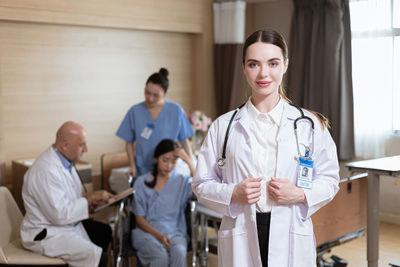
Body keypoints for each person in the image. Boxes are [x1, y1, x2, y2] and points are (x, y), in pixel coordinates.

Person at [192, 29, 340, 267]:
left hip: (291, 230)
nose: (263, 73)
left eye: (273, 63)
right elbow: (201, 184)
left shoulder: (309, 125)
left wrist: (300, 194)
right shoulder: (223, 126)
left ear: (285, 65)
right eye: (254, 64)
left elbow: (330, 180)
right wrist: (233, 193)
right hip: (241, 230)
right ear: (243, 68)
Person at [20, 121, 115, 267]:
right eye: (82, 145)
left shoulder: (66, 163)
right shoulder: (45, 170)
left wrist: (90, 204)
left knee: (104, 232)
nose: (86, 149)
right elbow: (59, 215)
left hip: (62, 224)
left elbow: (69, 200)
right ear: (65, 145)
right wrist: (89, 199)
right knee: (96, 256)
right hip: (46, 233)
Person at [116, 68, 194, 177]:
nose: (150, 98)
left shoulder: (176, 110)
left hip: (168, 170)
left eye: (156, 95)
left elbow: (184, 141)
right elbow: (129, 142)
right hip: (143, 170)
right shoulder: (135, 111)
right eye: (147, 93)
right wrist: (132, 165)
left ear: (165, 93)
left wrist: (191, 165)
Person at [131, 139, 194, 267]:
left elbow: (201, 185)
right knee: (160, 257)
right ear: (156, 158)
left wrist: (187, 160)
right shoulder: (141, 183)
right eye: (165, 160)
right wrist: (159, 236)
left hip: (175, 233)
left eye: (173, 161)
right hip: (147, 234)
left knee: (179, 253)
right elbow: (139, 219)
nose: (169, 166)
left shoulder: (181, 181)